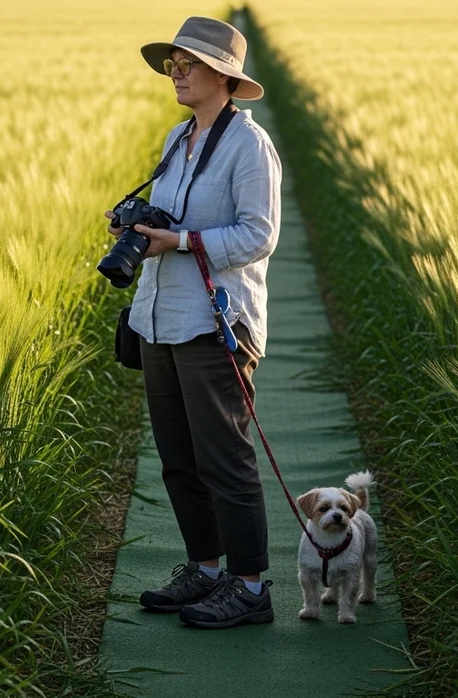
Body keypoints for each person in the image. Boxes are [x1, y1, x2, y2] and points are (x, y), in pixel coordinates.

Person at [103, 15, 282, 629]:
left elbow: (259, 235)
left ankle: (251, 586)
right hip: (158, 318)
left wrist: (177, 242)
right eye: (172, 64)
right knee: (178, 457)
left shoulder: (249, 146)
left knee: (224, 458)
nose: (175, 73)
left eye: (188, 65)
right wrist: (136, 227)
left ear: (225, 77)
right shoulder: (177, 138)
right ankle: (206, 570)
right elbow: (173, 219)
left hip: (214, 322)